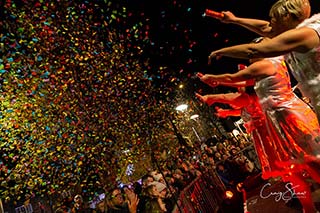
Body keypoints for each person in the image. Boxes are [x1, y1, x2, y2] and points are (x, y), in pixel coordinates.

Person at [198, 37, 320, 212]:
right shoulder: (271, 63)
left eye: (255, 49)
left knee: (309, 161)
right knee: (292, 171)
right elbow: (242, 82)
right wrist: (218, 84)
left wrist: (214, 78)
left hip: (289, 117)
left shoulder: (265, 64)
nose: (250, 55)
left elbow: (234, 78)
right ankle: (308, 209)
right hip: (278, 121)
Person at [207, 0, 320, 122]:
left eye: (273, 18)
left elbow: (254, 50)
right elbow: (265, 28)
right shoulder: (301, 30)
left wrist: (221, 51)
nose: (270, 23)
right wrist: (235, 19)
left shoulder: (304, 34)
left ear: (286, 17)